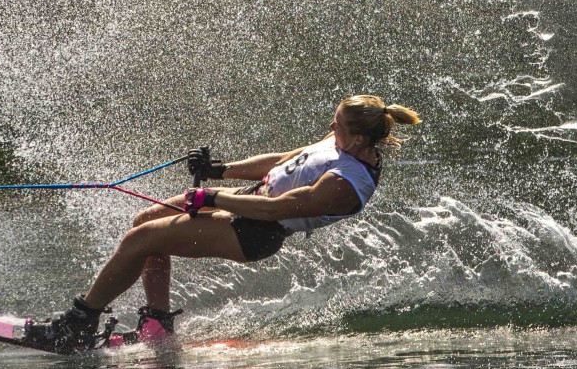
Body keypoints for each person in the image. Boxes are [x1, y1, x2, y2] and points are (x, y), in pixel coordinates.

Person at [24, 95, 421, 352]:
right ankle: (157, 329)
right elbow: (282, 160)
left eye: (337, 125)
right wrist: (219, 170)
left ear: (357, 140)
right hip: (244, 204)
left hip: (254, 230)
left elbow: (276, 209)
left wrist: (210, 197)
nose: (330, 128)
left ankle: (77, 325)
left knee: (140, 241)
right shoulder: (340, 141)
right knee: (145, 220)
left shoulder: (347, 183)